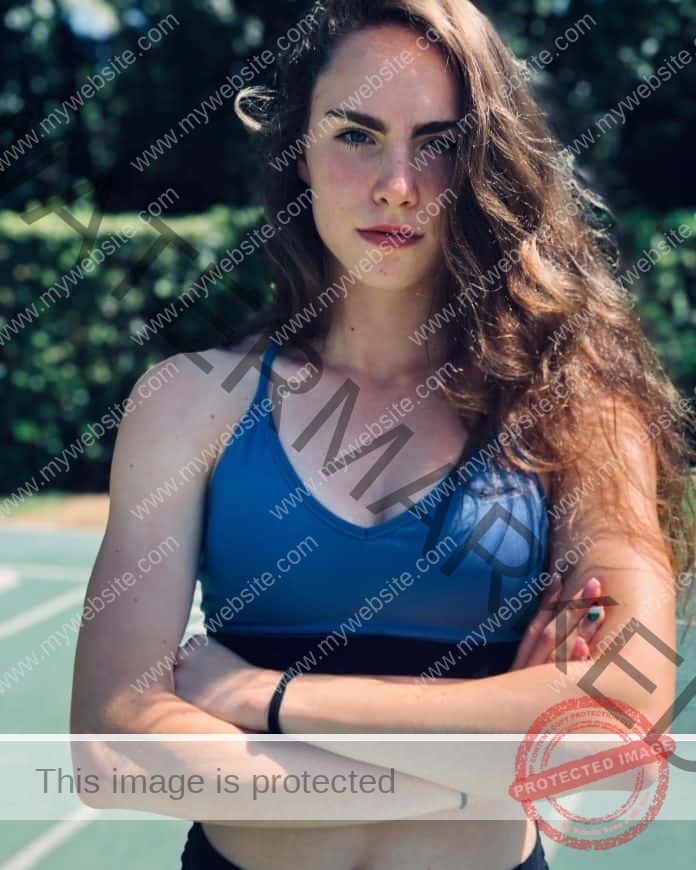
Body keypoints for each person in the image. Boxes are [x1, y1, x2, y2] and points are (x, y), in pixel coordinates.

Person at [71, 1, 696, 868]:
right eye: (356, 134)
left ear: (487, 162)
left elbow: (623, 711)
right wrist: (476, 767)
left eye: (438, 142)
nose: (398, 183)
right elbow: (113, 745)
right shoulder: (187, 403)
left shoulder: (580, 412)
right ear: (297, 152)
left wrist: (268, 698)